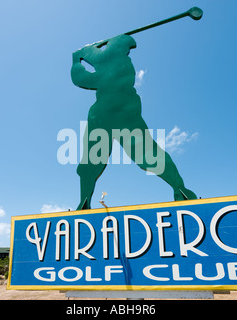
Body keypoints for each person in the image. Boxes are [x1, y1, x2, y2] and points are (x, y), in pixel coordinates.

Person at [71, 34, 197, 210]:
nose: (127, 52)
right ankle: (84, 201)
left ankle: (180, 189)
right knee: (93, 161)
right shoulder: (115, 61)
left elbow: (84, 78)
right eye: (126, 49)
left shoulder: (118, 64)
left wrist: (77, 59)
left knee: (146, 154)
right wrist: (80, 57)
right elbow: (92, 62)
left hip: (115, 114)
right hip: (107, 115)